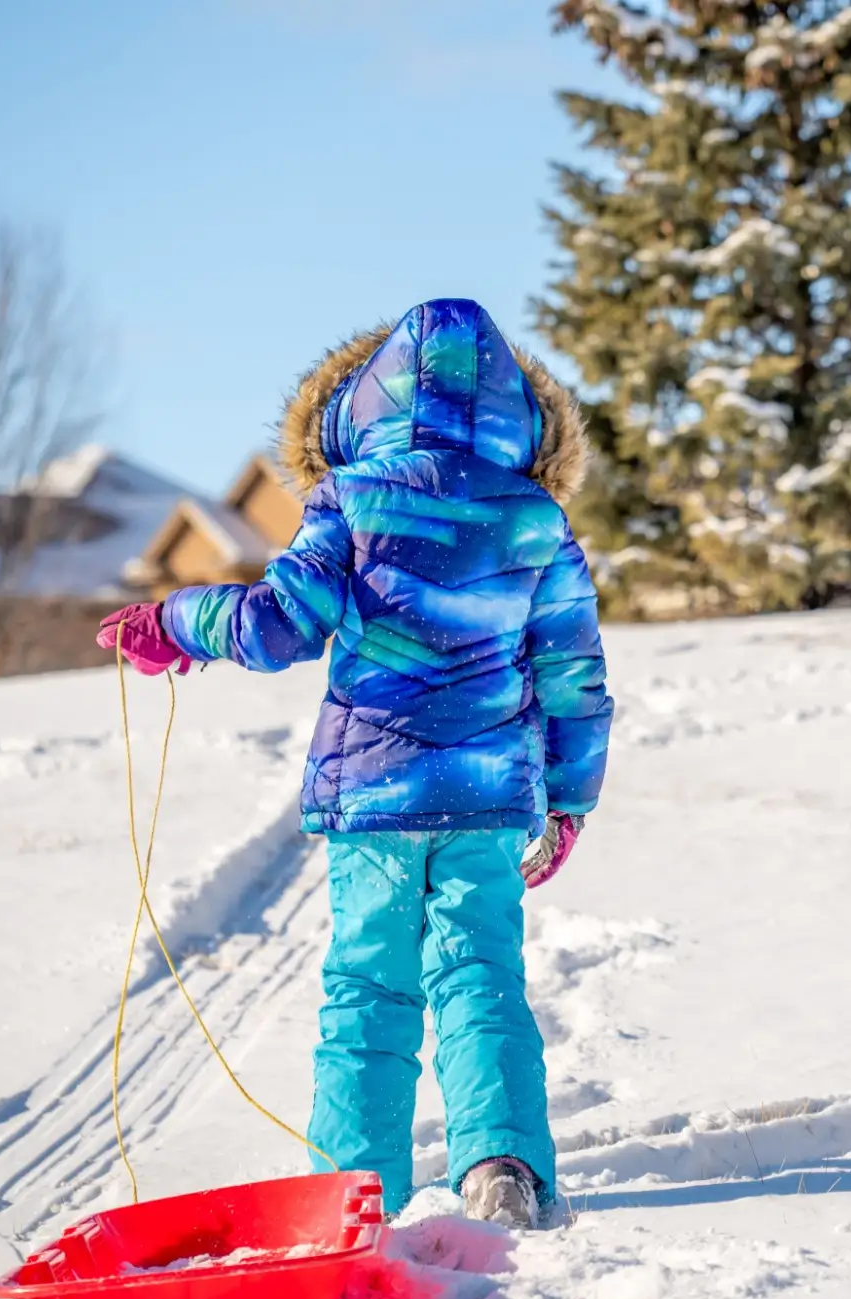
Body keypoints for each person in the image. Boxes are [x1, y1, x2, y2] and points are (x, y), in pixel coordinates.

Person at [97, 299, 612, 1229]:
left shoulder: (351, 501)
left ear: (368, 403)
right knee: (480, 974)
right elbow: (572, 673)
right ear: (517, 413)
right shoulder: (534, 518)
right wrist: (568, 797)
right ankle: (501, 1164)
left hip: (375, 798)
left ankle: (354, 1193)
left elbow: (274, 623)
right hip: (488, 799)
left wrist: (176, 620)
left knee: (370, 987)